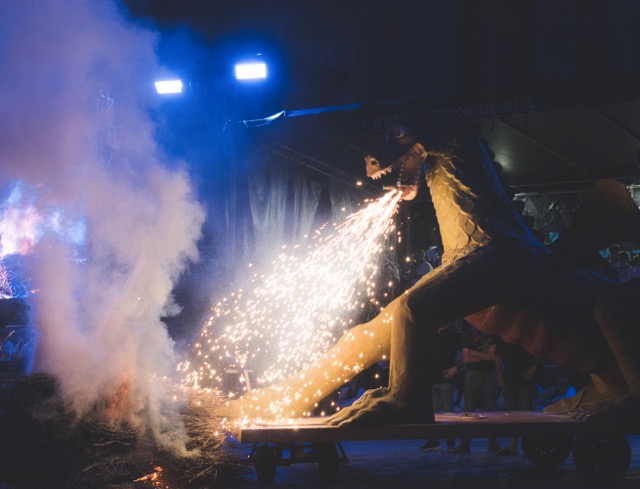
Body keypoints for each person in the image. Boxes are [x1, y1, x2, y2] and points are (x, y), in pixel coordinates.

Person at [453, 323, 499, 454]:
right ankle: (466, 443)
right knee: (469, 409)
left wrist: (473, 353)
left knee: (491, 409)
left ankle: (492, 443)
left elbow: (493, 356)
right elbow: (466, 358)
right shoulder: (468, 334)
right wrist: (485, 354)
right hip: (473, 372)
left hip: (488, 372)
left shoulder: (492, 334)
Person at [420, 321, 462, 451]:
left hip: (444, 379)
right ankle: (435, 440)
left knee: (447, 411)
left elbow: (464, 354)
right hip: (433, 379)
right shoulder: (431, 335)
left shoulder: (452, 335)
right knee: (434, 412)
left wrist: (455, 368)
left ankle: (450, 442)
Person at [494, 339, 537, 456]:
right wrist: (499, 376)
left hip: (524, 378)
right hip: (509, 377)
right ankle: (513, 446)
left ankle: (528, 447)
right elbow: (498, 356)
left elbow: (539, 351)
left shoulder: (526, 335)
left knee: (525, 414)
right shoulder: (504, 337)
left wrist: (533, 368)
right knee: (511, 414)